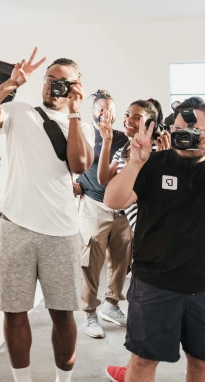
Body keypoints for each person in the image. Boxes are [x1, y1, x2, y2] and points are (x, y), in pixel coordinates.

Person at [103, 97, 205, 382]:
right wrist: (135, 163)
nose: (185, 136)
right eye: (179, 129)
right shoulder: (152, 164)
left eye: (194, 130)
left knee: (201, 364)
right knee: (142, 361)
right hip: (154, 284)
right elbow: (114, 200)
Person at [0, 48, 94, 382]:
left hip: (62, 231)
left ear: (77, 87)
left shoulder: (81, 125)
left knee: (63, 314)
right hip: (15, 227)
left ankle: (62, 381)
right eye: (49, 80)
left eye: (63, 82)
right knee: (13, 311)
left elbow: (80, 165)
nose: (54, 87)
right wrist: (10, 84)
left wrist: (76, 114)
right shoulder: (17, 111)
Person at [73, 90, 130, 339]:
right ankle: (89, 312)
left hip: (122, 209)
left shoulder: (123, 138)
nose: (106, 114)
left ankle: (112, 303)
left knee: (121, 259)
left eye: (111, 110)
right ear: (93, 112)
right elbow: (66, 164)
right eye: (101, 109)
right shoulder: (84, 135)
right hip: (94, 205)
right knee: (91, 261)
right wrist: (73, 185)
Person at [97, 99, 171, 233]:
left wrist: (163, 157)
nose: (129, 120)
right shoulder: (122, 151)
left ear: (150, 125)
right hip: (136, 228)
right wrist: (106, 141)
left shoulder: (156, 150)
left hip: (155, 226)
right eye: (127, 115)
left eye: (137, 118)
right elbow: (103, 179)